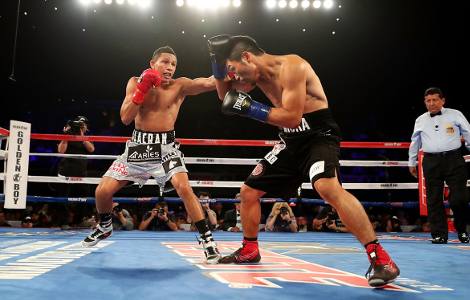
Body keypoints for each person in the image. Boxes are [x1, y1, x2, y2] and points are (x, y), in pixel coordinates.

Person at [207, 34, 399, 287]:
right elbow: (226, 97)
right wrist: (217, 63)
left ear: (247, 57)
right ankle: (250, 249)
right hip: (290, 140)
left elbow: (292, 118)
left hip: (319, 134)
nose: (236, 78)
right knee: (248, 192)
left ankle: (380, 258)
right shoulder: (253, 73)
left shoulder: (292, 66)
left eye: (234, 70)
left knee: (326, 187)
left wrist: (251, 108)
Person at [81, 46, 221, 263]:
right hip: (138, 148)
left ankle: (207, 238)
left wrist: (221, 62)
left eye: (173, 64)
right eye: (165, 62)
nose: (170, 68)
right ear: (152, 64)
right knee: (102, 191)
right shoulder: (135, 82)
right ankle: (105, 225)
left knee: (184, 187)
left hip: (166, 149)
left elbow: (211, 82)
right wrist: (142, 90)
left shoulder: (179, 85)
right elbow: (126, 118)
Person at [408, 87, 470, 244]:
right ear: (424, 102)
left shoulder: (455, 114)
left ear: (443, 100)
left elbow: (468, 132)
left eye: (435, 100)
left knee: (459, 198)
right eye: (428, 100)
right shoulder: (420, 120)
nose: (431, 103)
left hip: (454, 159)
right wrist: (412, 161)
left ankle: (462, 230)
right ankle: (439, 234)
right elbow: (415, 142)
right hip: (431, 162)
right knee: (433, 199)